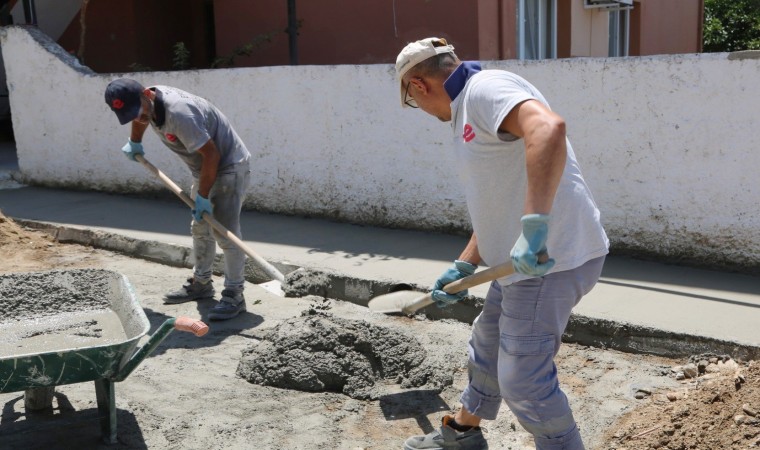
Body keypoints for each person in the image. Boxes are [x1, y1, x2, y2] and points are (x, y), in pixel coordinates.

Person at [396, 38, 609, 450]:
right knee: (487, 346)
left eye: (410, 100)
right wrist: (465, 263)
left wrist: (534, 231)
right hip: (517, 266)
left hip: (549, 261)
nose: (418, 109)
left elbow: (548, 129)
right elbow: (498, 200)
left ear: (419, 85)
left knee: (524, 381)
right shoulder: (467, 110)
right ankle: (462, 435)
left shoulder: (485, 89)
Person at [104, 78, 252, 321]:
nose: (138, 116)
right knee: (200, 228)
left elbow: (212, 155)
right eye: (130, 113)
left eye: (137, 109)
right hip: (203, 168)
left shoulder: (179, 113)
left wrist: (203, 196)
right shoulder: (146, 104)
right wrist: (135, 141)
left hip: (227, 166)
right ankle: (202, 284)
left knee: (225, 233)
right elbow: (141, 118)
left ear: (147, 95)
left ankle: (235, 294)